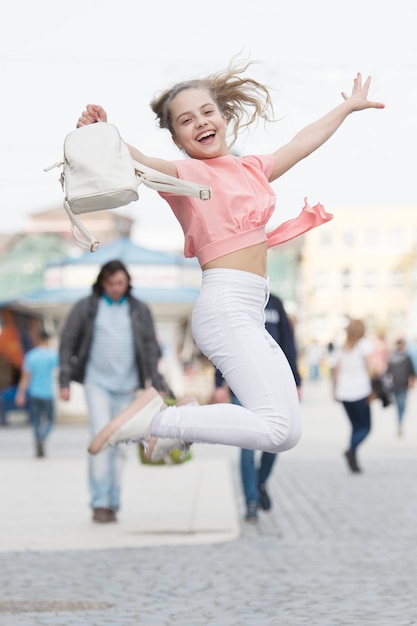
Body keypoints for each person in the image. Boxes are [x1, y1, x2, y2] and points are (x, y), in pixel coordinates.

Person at [78, 60, 384, 462]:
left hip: (249, 310)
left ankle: (177, 418)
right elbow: (133, 158)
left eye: (208, 112)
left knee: (286, 428)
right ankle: (161, 421)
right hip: (224, 307)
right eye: (186, 120)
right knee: (277, 428)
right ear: (177, 139)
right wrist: (103, 131)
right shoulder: (183, 176)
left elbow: (301, 143)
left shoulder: (251, 169)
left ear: (224, 117)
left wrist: (345, 109)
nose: (201, 123)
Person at [59, 260, 167, 523]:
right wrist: (64, 381)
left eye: (120, 283)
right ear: (102, 283)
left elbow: (151, 347)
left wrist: (157, 382)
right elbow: (67, 342)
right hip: (97, 384)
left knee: (120, 445)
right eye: (110, 283)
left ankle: (113, 501)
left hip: (128, 386)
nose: (116, 288)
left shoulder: (139, 309)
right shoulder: (86, 307)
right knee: (101, 437)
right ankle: (99, 502)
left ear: (127, 282)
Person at [213, 293, 302, 523]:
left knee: (278, 440)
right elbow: (223, 342)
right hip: (242, 383)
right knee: (247, 446)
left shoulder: (276, 303)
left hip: (274, 383)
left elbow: (288, 343)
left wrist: (297, 381)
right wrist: (218, 382)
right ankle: (251, 500)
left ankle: (260, 482)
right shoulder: (237, 301)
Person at [333, 319, 374, 474]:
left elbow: (336, 370)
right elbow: (371, 368)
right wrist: (374, 389)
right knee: (366, 427)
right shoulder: (364, 345)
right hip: (361, 391)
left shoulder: (342, 347)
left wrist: (335, 391)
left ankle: (354, 460)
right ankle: (351, 450)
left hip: (344, 392)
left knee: (355, 426)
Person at [15, 331, 58, 458]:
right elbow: (58, 373)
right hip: (48, 393)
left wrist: (20, 393)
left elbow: (25, 377)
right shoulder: (52, 356)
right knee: (50, 420)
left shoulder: (31, 356)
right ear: (48, 340)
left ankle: (38, 439)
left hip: (34, 393)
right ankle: (42, 437)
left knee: (36, 421)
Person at [387, 338, 415, 437]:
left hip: (403, 384)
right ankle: (399, 422)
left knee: (401, 405)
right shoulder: (392, 357)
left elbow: (411, 371)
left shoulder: (406, 357)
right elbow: (387, 372)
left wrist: (411, 381)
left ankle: (400, 422)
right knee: (399, 404)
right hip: (395, 385)